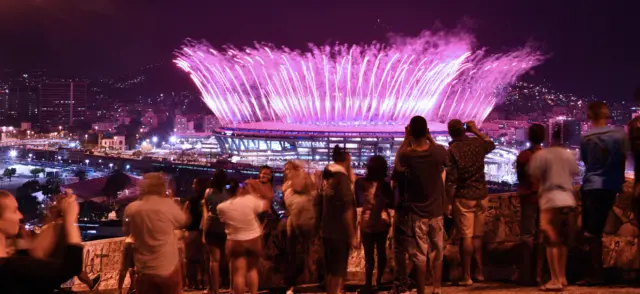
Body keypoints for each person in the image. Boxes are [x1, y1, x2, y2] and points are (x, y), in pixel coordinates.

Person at [393, 116, 449, 294]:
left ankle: (421, 291)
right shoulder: (438, 151)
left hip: (417, 214)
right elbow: (444, 160)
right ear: (426, 131)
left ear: (410, 132)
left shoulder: (407, 155)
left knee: (419, 256)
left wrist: (405, 138)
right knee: (437, 252)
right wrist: (429, 137)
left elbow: (398, 163)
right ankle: (437, 288)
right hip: (436, 212)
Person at [579, 101, 627, 285]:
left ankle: (595, 274)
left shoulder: (586, 137)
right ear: (606, 115)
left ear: (590, 116)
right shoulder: (619, 134)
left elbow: (586, 162)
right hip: (612, 185)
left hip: (593, 186)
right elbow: (622, 159)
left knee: (592, 232)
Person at [0, 190, 83, 294]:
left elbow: (35, 254)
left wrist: (54, 218)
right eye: (14, 210)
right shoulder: (9, 268)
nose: (20, 216)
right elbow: (70, 267)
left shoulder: (10, 263)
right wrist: (71, 219)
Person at [446, 119, 496, 286]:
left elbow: (451, 180)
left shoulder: (452, 150)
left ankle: (467, 276)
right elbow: (491, 144)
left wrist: (449, 202)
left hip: (464, 197)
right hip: (482, 195)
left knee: (466, 237)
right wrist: (475, 130)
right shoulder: (477, 143)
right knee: (477, 236)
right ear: (464, 130)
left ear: (450, 133)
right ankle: (479, 272)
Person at [529, 128, 579, 291]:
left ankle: (554, 279)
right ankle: (563, 277)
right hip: (568, 198)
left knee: (550, 238)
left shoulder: (542, 155)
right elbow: (574, 174)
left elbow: (534, 176)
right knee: (563, 241)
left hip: (550, 198)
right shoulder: (569, 155)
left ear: (550, 138)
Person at [124, 172, 191, 294]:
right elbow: (183, 221)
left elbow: (126, 231)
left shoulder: (132, 209)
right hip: (168, 268)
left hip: (144, 269)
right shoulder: (168, 206)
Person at [316, 145, 358, 294]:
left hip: (326, 230)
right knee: (338, 272)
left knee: (330, 270)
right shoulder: (342, 179)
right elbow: (347, 209)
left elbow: (319, 203)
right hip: (339, 232)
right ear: (347, 160)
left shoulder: (327, 177)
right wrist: (353, 235)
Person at [217, 179, 271, 294]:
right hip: (253, 239)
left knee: (238, 273)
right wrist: (253, 191)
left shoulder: (222, 207)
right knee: (252, 270)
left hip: (234, 241)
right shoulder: (250, 200)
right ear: (238, 190)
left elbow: (223, 221)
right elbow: (265, 205)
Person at [355, 155, 394, 292]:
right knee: (381, 251)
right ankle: (379, 281)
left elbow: (359, 201)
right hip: (382, 221)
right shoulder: (385, 184)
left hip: (366, 221)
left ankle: (367, 283)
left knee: (369, 255)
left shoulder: (360, 183)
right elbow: (392, 202)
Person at [515, 123, 546, 285]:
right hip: (544, 198)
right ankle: (539, 275)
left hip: (528, 198)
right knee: (541, 235)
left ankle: (526, 274)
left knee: (527, 235)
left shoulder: (523, 156)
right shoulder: (547, 156)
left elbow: (519, 177)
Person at [282, 160, 317, 294]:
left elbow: (306, 189)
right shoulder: (288, 185)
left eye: (288, 169)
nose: (286, 172)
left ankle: (305, 281)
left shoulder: (302, 180)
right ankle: (294, 283)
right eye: (285, 170)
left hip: (305, 221)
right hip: (294, 222)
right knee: (294, 254)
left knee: (304, 253)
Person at [201, 169, 230, 294]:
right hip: (224, 226)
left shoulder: (208, 192)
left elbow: (206, 210)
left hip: (211, 225)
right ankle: (229, 285)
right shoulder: (228, 193)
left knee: (214, 259)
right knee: (227, 258)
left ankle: (215, 289)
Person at [184, 177, 209, 290]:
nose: (193, 186)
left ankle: (190, 282)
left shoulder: (191, 200)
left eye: (194, 184)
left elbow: (184, 216)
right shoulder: (208, 199)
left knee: (190, 259)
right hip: (206, 232)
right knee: (202, 259)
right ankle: (202, 281)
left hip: (192, 232)